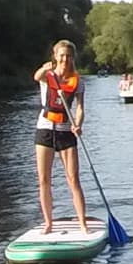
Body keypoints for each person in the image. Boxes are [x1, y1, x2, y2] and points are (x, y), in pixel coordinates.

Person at [32, 39, 89, 229]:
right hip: (45, 130)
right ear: (55, 57)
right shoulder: (47, 75)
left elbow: (80, 108)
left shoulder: (77, 81)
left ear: (72, 58)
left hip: (66, 132)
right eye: (61, 55)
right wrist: (44, 68)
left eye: (68, 56)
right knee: (44, 179)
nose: (65, 59)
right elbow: (36, 76)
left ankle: (82, 222)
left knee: (73, 178)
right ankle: (48, 223)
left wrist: (78, 124)